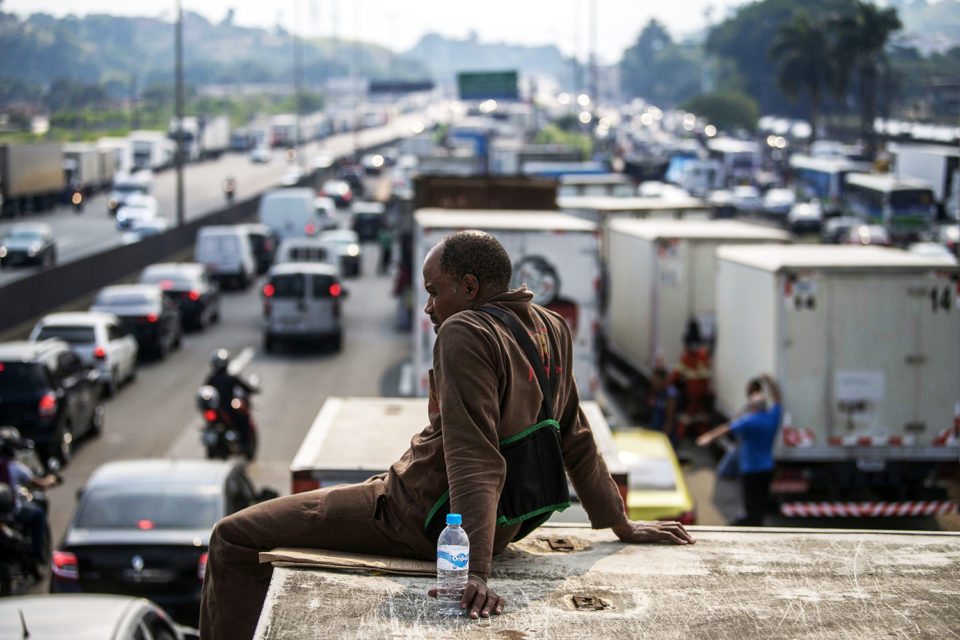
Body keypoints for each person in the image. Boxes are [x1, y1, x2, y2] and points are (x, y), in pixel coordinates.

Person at [199, 230, 694, 639]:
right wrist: (620, 524)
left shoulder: (466, 333)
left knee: (232, 538)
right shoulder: (550, 325)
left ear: (471, 288)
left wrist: (474, 571)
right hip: (506, 524)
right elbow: (575, 435)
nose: (429, 307)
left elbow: (475, 458)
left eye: (435, 291)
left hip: (416, 517)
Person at [696, 374, 782, 526]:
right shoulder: (772, 418)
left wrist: (708, 437)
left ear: (753, 407)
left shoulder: (749, 420)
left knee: (750, 501)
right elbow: (777, 399)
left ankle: (751, 525)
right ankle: (757, 521)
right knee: (760, 501)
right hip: (767, 468)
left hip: (750, 469)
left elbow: (727, 428)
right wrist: (771, 383)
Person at [0, 426, 57, 567]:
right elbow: (39, 484)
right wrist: (51, 479)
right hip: (13, 513)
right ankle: (37, 554)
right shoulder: (15, 467)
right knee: (38, 514)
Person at [203, 349, 256, 451]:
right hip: (228, 408)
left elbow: (205, 391)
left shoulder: (211, 379)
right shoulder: (231, 378)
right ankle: (245, 445)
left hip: (217, 409)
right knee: (244, 419)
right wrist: (253, 389)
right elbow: (246, 387)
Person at [647, 366, 679, 447]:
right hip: (655, 433)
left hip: (664, 438)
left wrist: (663, 440)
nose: (654, 384)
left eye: (656, 381)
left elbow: (669, 421)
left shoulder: (670, 395)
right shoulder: (658, 392)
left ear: (664, 380)